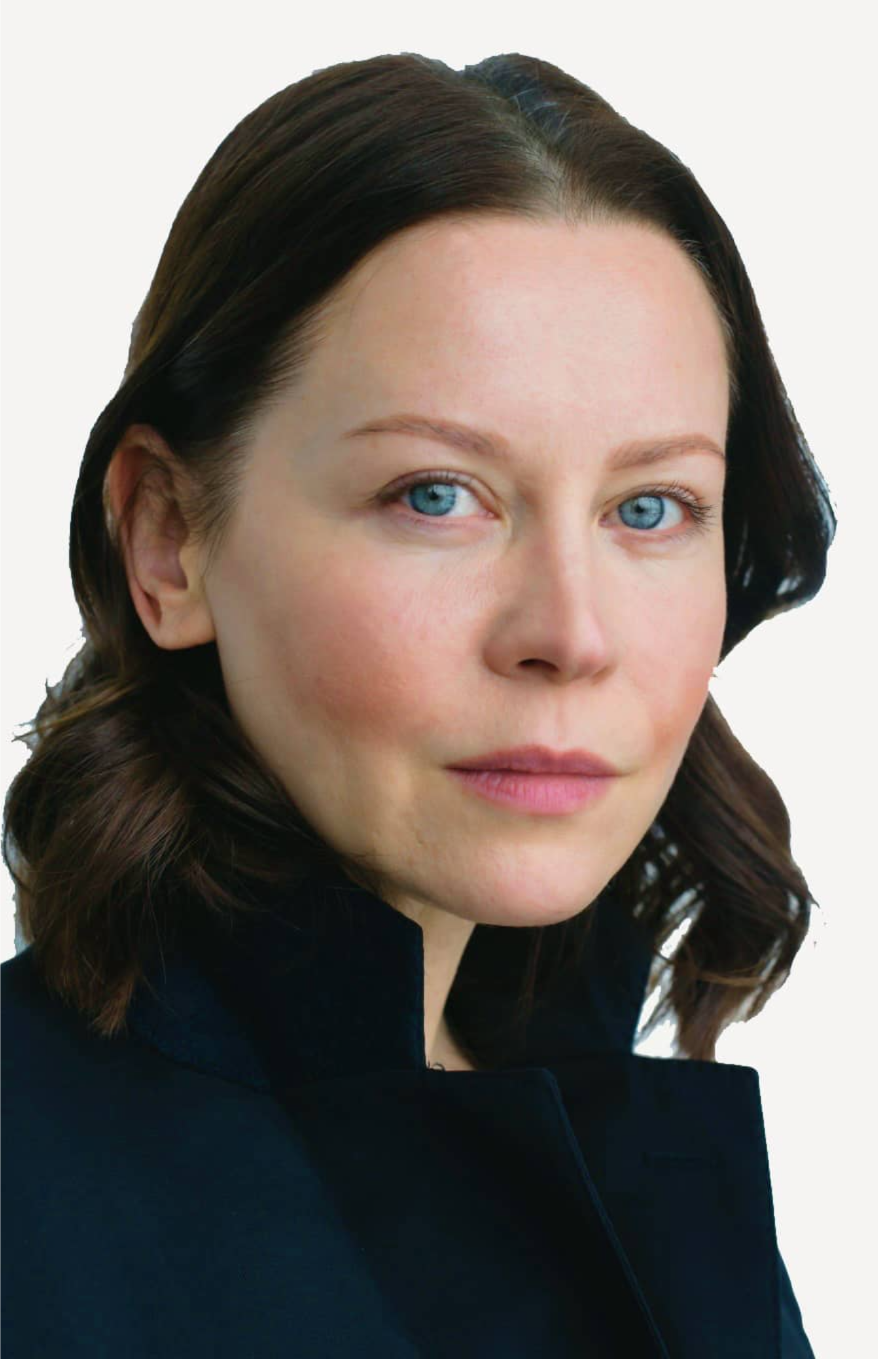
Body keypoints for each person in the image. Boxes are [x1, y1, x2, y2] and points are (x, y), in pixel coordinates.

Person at [0, 51, 831, 1357]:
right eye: (435, 496)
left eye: (650, 508)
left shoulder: (637, 1159)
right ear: (168, 538)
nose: (569, 634)